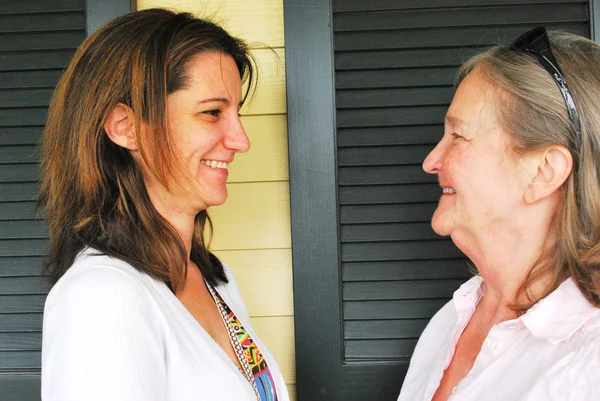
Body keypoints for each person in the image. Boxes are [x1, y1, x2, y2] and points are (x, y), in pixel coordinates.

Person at [39, 9, 289, 401]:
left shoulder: (214, 278)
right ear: (126, 127)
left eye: (236, 113)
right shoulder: (103, 296)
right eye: (212, 113)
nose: (241, 140)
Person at [398, 27, 600, 401]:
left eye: (457, 136)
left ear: (543, 172)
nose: (430, 162)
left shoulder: (590, 364)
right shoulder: (451, 321)